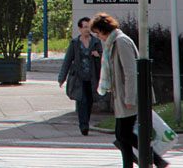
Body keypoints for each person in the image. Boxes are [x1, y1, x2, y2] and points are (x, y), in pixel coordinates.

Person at [91, 12, 168, 168]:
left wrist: (129, 98)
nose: (98, 37)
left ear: (104, 29)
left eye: (98, 33)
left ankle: (155, 159)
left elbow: (131, 72)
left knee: (124, 133)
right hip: (121, 95)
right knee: (121, 134)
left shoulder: (120, 42)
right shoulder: (113, 43)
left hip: (129, 95)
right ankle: (133, 163)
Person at [58, 16, 102, 135]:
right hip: (79, 77)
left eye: (89, 27)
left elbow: (104, 59)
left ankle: (86, 121)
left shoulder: (96, 42)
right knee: (82, 101)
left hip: (92, 77)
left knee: (90, 101)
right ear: (80, 29)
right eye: (85, 27)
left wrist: (98, 55)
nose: (87, 30)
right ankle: (83, 125)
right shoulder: (75, 43)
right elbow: (67, 60)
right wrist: (61, 78)